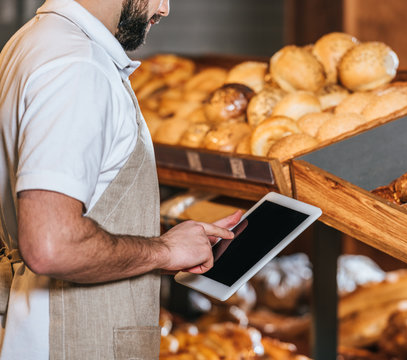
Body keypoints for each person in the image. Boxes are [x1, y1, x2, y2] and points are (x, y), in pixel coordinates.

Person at [0, 0, 242, 358]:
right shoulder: (78, 66)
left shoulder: (32, 41)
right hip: (67, 342)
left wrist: (166, 248)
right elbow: (51, 245)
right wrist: (163, 251)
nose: (164, 8)